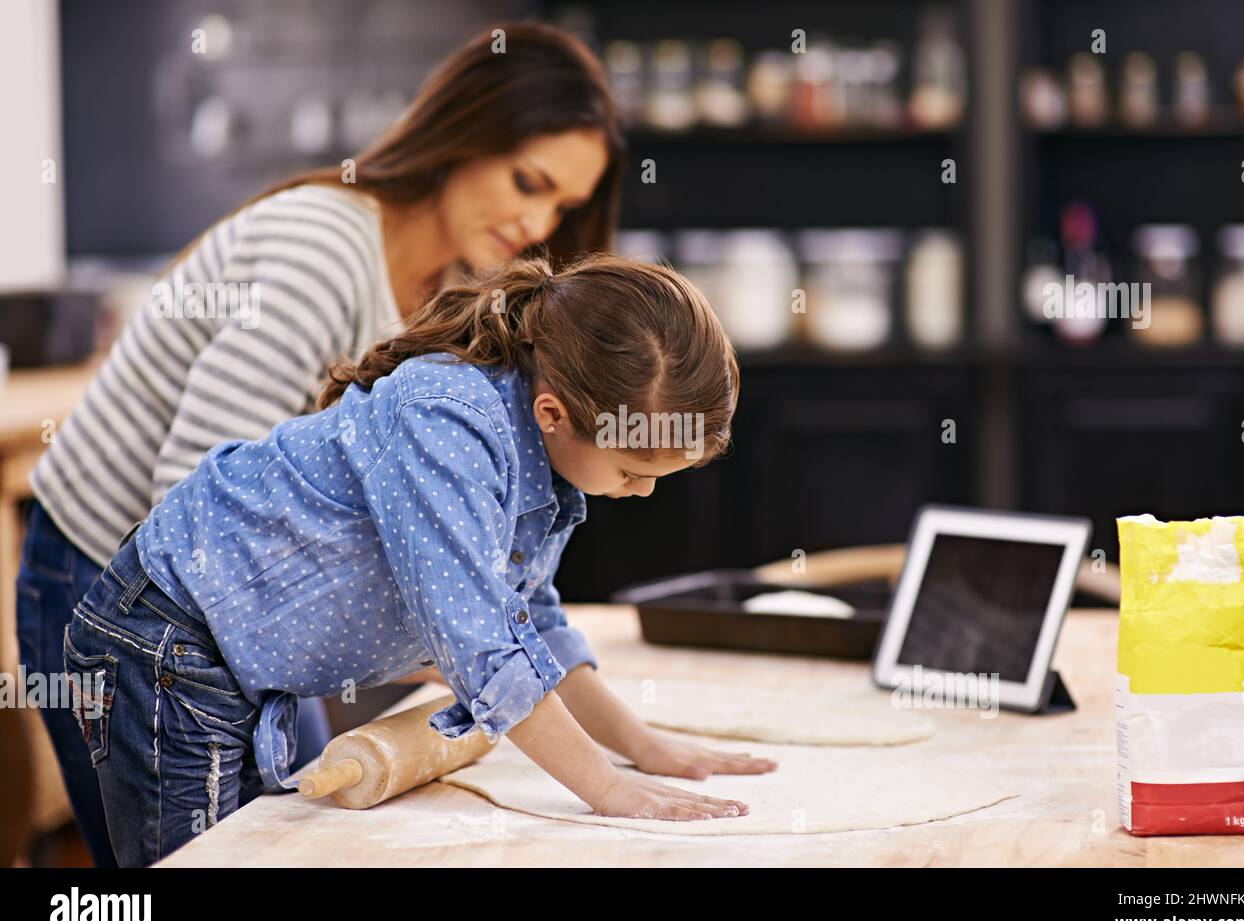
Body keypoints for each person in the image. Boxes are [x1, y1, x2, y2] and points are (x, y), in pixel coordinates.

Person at [18, 20, 625, 866]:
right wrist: (449, 634)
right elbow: (190, 502)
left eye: (561, 206)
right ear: (464, 136)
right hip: (120, 590)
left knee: (296, 834)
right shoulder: (322, 252)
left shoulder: (462, 296)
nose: (535, 220)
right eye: (528, 181)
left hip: (235, 605)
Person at [64, 254, 776, 867]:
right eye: (631, 469)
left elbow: (531, 624)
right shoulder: (448, 419)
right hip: (171, 641)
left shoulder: (545, 459)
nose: (644, 491)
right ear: (555, 413)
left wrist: (641, 746)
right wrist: (607, 788)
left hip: (235, 656)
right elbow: (483, 645)